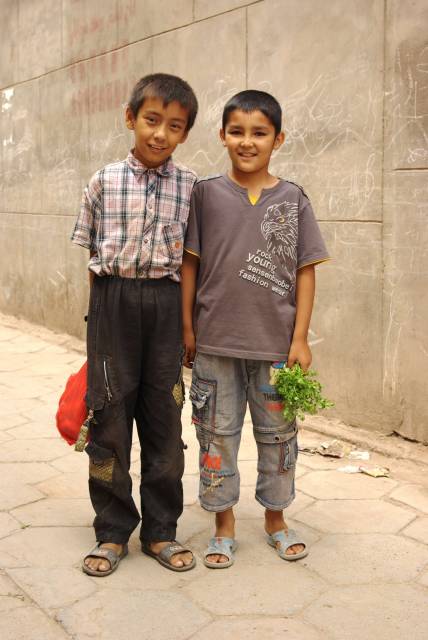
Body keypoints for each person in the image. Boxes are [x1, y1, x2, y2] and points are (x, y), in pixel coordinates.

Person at [181, 90, 330, 568]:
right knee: (217, 435)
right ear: (223, 135)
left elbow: (306, 268)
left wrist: (300, 337)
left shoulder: (293, 198)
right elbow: (189, 265)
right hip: (214, 343)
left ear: (278, 139)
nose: (248, 142)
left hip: (274, 349)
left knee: (278, 435)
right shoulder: (204, 195)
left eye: (259, 133)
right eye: (238, 132)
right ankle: (222, 525)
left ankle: (275, 519)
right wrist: (187, 327)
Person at [71, 73, 198, 576]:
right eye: (151, 120)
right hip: (112, 302)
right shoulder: (103, 180)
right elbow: (91, 255)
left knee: (165, 421)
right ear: (130, 118)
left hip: (166, 307)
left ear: (185, 133)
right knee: (109, 418)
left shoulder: (192, 186)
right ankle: (112, 530)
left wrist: (189, 325)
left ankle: (161, 530)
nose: (160, 134)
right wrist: (100, 324)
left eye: (174, 125)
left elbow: (192, 262)